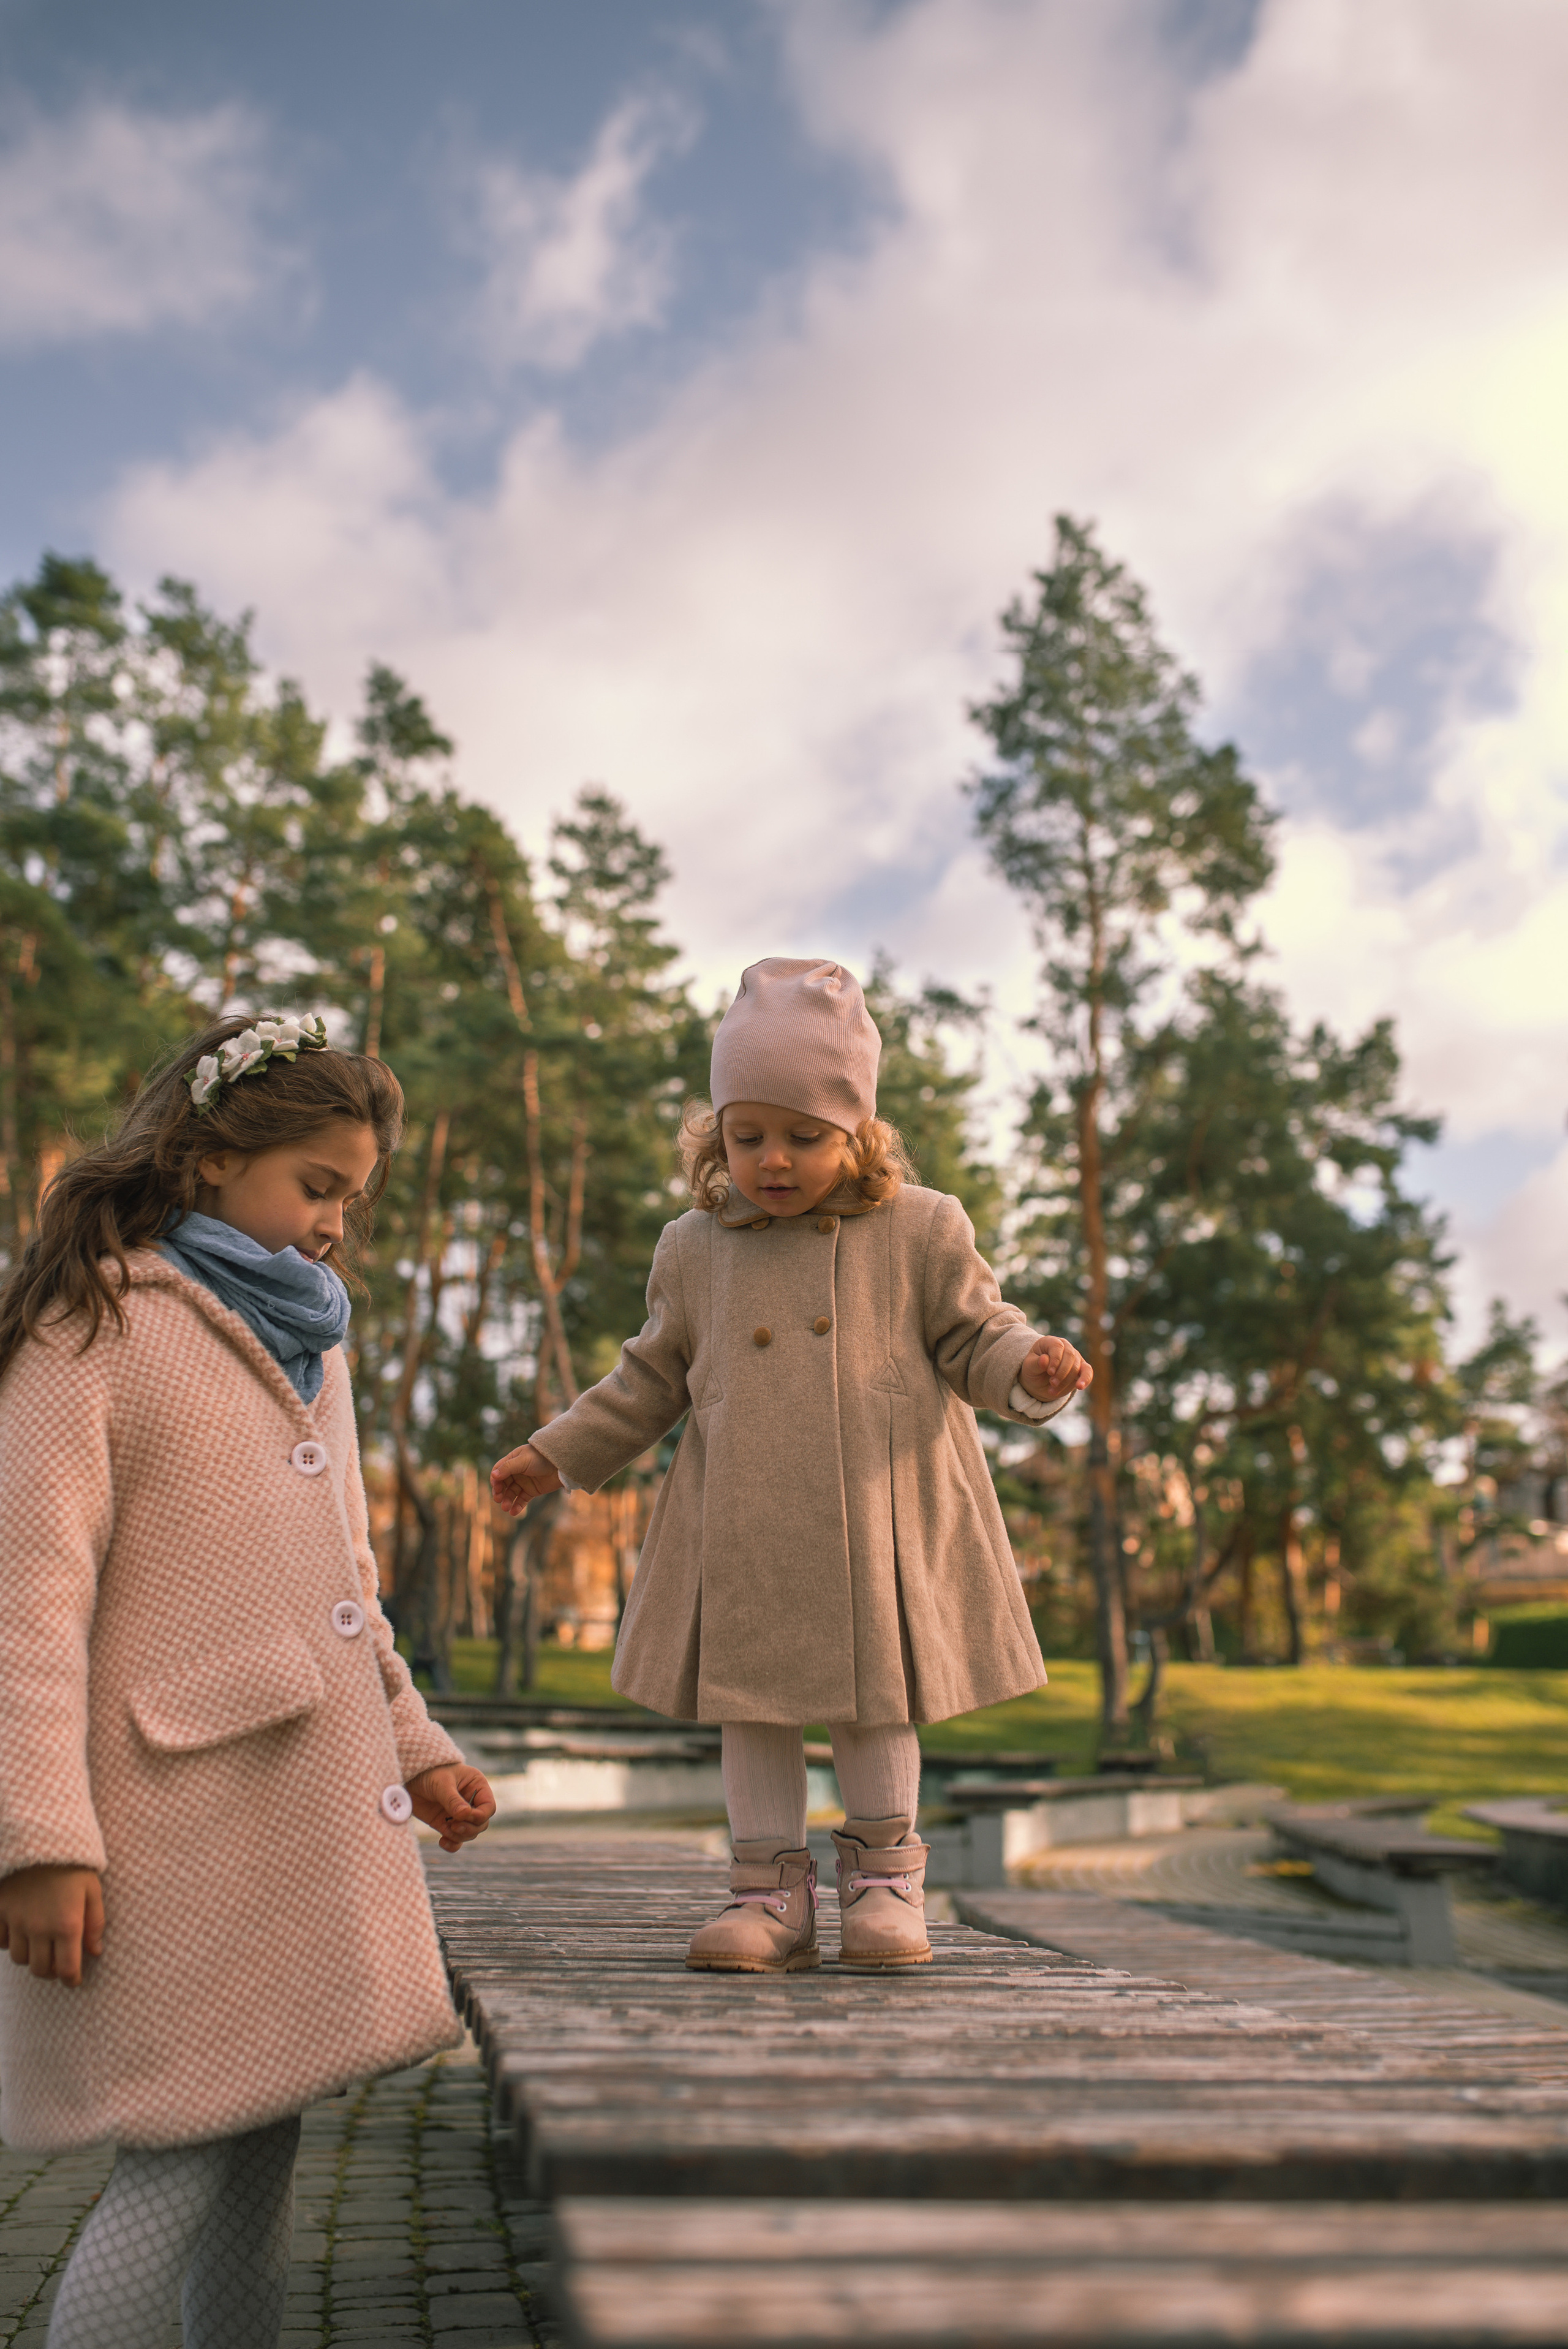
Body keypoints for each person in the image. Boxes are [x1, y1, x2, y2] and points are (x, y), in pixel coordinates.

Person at [0, 1014, 497, 2349]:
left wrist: (416, 1743)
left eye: (355, 1197)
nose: (338, 1222)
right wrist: (37, 1841)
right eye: (318, 1187)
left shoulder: (310, 1341)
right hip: (163, 1839)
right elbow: (24, 1603)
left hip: (294, 1821)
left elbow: (344, 1586)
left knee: (262, 2156)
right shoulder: (90, 1321)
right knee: (175, 2161)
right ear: (215, 1155)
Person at [491, 956, 1088, 1974]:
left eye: (805, 1136)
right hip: (744, 1520)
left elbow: (976, 1338)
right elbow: (649, 1377)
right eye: (748, 1133)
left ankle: (887, 1887)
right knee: (751, 1704)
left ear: (859, 1129)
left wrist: (1030, 1370)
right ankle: (770, 1898)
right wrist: (556, 1453)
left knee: (874, 1698)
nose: (774, 1159)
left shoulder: (922, 1228)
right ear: (715, 1134)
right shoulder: (694, 1246)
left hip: (877, 1513)